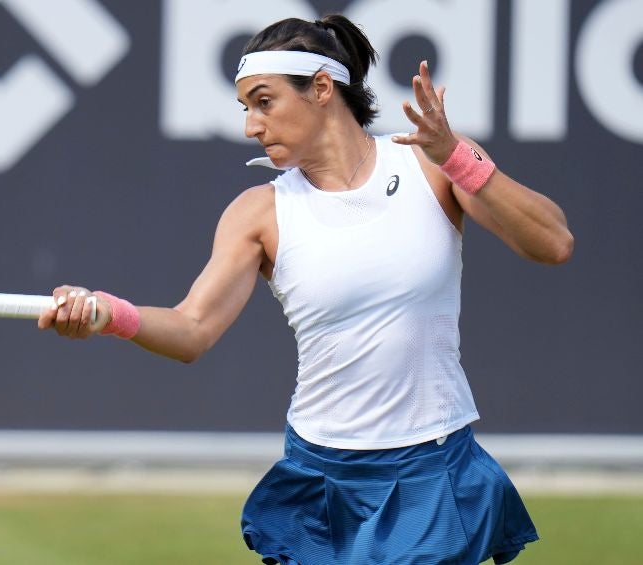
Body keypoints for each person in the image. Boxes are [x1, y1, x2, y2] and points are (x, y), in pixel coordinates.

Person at [38, 14, 573, 565]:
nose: (251, 125)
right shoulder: (259, 212)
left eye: (264, 102)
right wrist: (107, 313)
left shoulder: (432, 164)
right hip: (319, 476)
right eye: (245, 108)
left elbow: (553, 242)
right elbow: (192, 328)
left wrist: (456, 157)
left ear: (321, 88)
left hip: (430, 468)